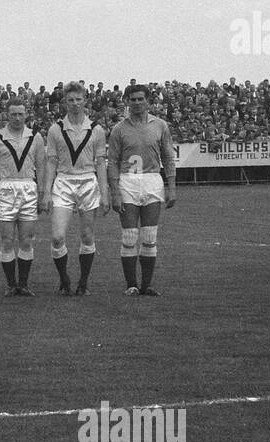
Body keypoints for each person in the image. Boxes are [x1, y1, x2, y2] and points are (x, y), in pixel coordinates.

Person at [107, 83, 177, 296]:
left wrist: (171, 187)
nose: (137, 103)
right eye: (133, 99)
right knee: (129, 236)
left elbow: (167, 156)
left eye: (140, 99)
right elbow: (112, 162)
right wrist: (115, 192)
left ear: (148, 101)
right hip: (128, 181)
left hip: (152, 181)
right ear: (126, 102)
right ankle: (131, 285)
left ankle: (146, 285)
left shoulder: (160, 125)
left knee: (149, 235)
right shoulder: (119, 129)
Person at [43, 82, 109, 295]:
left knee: (87, 236)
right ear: (65, 102)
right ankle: (64, 279)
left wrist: (105, 194)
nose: (74, 103)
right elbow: (51, 162)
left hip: (88, 182)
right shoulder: (55, 129)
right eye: (70, 100)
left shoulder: (96, 129)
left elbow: (100, 163)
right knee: (57, 237)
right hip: (63, 182)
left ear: (85, 101)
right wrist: (46, 192)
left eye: (78, 99)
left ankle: (84, 282)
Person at [0, 98, 47, 296]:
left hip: (28, 187)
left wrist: (42, 193)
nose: (17, 118)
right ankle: (11, 284)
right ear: (6, 115)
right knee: (7, 239)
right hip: (5, 189)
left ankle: (24, 283)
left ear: (26, 114)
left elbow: (42, 167)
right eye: (13, 114)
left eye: (20, 114)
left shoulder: (35, 137)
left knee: (26, 239)